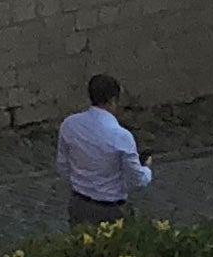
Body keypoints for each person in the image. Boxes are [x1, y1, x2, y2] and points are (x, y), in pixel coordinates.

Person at [58, 72, 154, 230]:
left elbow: (62, 165)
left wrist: (81, 184)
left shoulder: (69, 125)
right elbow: (137, 179)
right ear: (113, 100)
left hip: (79, 204)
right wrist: (147, 168)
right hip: (110, 209)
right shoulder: (121, 136)